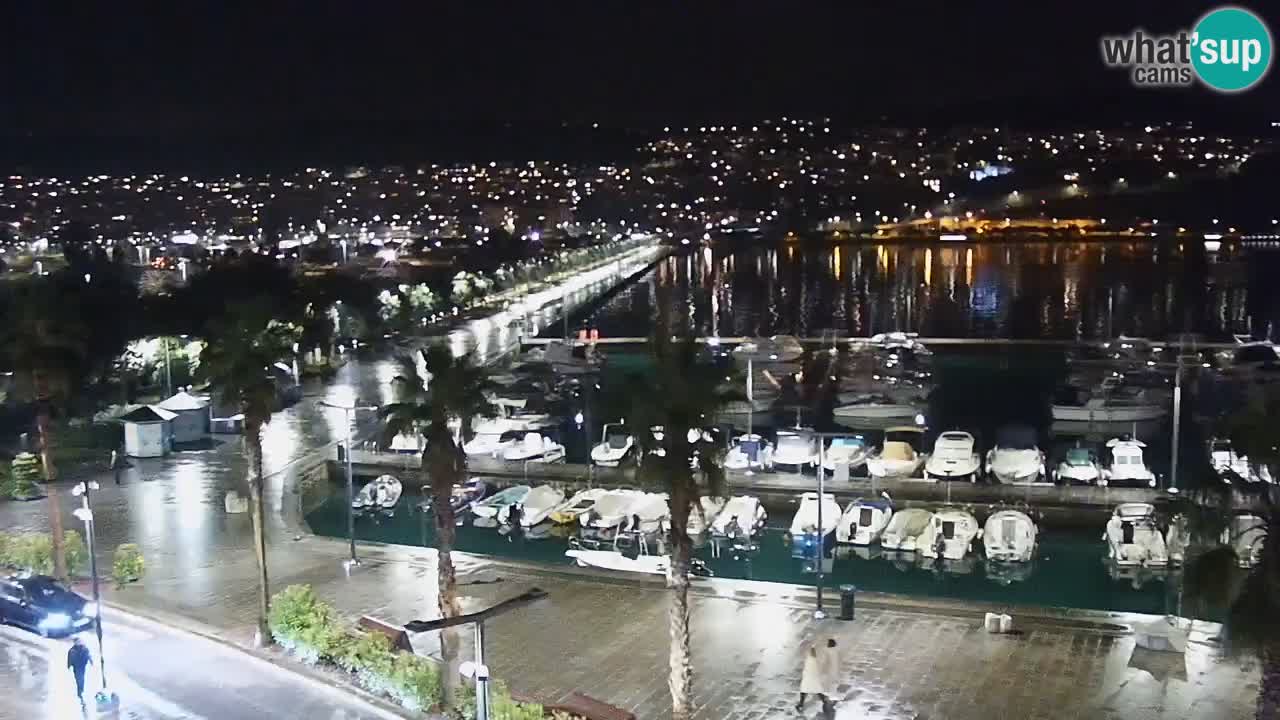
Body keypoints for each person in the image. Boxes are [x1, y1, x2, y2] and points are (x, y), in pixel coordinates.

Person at [797, 637, 839, 714]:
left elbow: (821, 663)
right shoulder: (815, 656)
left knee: (808, 689)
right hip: (812, 675)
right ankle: (802, 703)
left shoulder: (813, 657)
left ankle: (801, 704)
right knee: (815, 689)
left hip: (810, 675)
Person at [67, 637, 93, 704]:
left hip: (82, 666)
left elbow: (88, 655)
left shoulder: (84, 649)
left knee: (81, 679)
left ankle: (80, 692)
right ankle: (80, 692)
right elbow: (69, 659)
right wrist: (69, 666)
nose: (78, 643)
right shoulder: (72, 650)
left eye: (79, 641)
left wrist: (91, 661)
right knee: (79, 679)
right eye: (77, 642)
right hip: (77, 667)